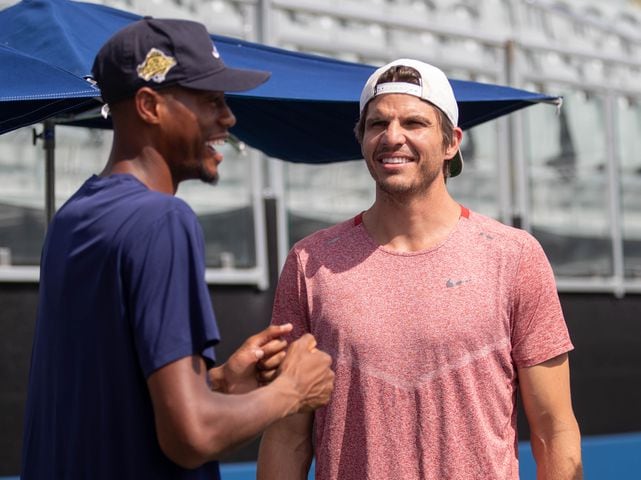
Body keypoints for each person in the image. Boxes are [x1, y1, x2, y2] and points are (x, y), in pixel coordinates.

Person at [20, 18, 334, 480]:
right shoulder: (163, 220)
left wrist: (221, 382)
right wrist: (292, 390)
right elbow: (190, 438)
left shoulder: (73, 217)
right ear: (149, 105)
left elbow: (110, 397)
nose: (228, 118)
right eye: (211, 101)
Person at [257, 58, 582, 479]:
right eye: (377, 124)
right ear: (361, 140)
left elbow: (554, 431)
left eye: (414, 123)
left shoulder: (514, 256)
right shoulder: (309, 262)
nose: (393, 137)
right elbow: (288, 435)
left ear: (451, 143)